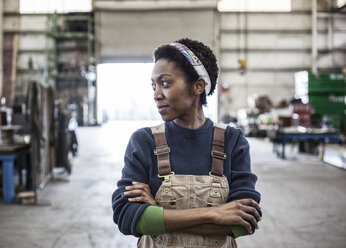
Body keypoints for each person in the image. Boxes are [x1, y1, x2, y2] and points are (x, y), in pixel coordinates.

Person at [112, 38, 262, 247]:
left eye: (165, 83)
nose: (156, 94)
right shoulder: (144, 141)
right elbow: (126, 216)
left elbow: (244, 221)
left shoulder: (232, 141)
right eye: (153, 85)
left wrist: (158, 213)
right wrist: (216, 214)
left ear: (198, 86)